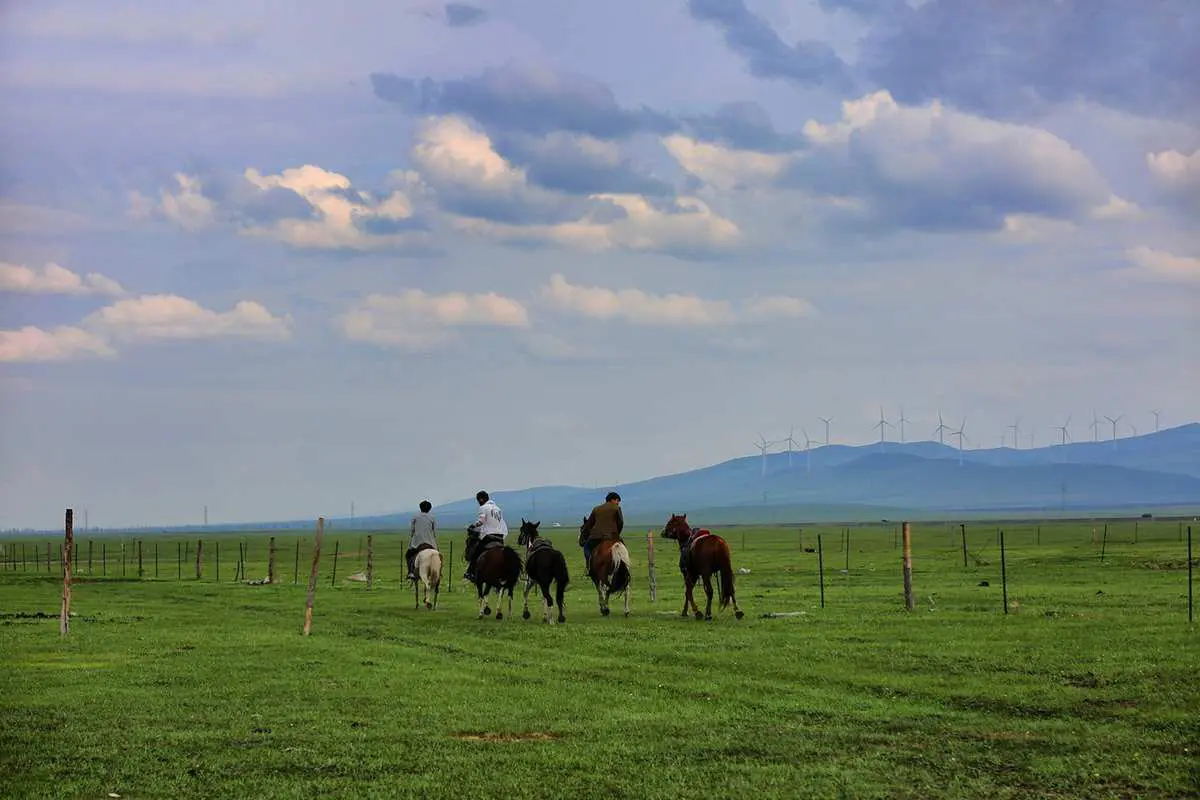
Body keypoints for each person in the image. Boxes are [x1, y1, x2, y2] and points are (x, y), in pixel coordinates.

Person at [463, 490, 508, 581]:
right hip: (500, 536)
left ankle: (470, 572)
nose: (478, 503)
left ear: (481, 499)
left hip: (489, 536)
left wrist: (474, 525)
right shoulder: (497, 509)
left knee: (476, 551)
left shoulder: (483, 507)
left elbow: (482, 521)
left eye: (478, 501)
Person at [578, 491, 624, 577]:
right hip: (612, 536)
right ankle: (625, 565)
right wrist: (617, 533)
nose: (618, 503)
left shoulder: (596, 509)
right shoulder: (617, 508)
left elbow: (589, 524)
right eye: (617, 501)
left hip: (596, 537)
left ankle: (589, 567)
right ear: (612, 500)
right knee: (623, 549)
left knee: (587, 548)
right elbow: (621, 523)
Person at [406, 500, 437, 581]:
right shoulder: (432, 518)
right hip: (430, 542)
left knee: (408, 555)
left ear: (420, 508)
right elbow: (434, 531)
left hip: (417, 543)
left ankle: (411, 572)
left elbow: (412, 531)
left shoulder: (415, 517)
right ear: (429, 509)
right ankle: (437, 571)